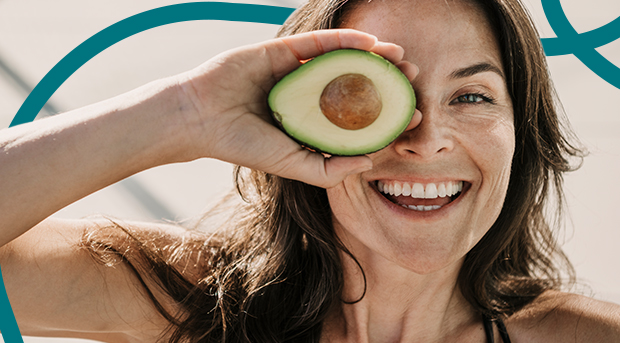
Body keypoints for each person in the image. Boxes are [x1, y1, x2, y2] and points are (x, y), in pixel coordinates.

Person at [1, 0, 619, 342]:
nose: (427, 140)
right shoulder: (194, 302)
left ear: (522, 136)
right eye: (372, 100)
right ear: (300, 130)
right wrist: (181, 113)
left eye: (473, 96)